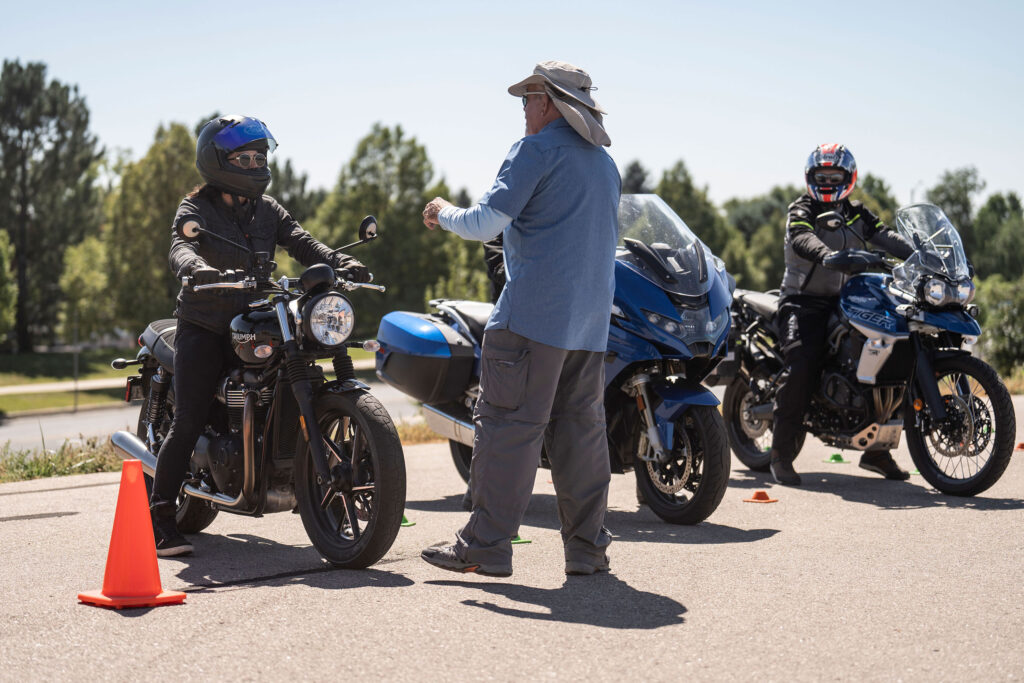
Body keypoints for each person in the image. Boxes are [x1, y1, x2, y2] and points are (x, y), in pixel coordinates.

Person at [420, 61, 621, 577]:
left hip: (531, 320)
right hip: (590, 327)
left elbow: (486, 221)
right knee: (581, 435)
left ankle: (485, 548)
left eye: (528, 99)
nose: (524, 110)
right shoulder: (604, 164)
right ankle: (587, 551)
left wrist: (442, 212)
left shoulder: (534, 151)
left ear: (549, 101)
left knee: (508, 430)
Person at [150, 114, 369, 556]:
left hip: (255, 318)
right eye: (244, 157)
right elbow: (180, 246)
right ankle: (158, 519)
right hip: (205, 325)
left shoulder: (268, 210)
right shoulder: (196, 209)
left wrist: (339, 263)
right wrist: (195, 268)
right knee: (190, 416)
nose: (254, 164)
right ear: (218, 161)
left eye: (258, 157)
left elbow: (302, 241)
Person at [769, 143, 914, 486]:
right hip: (802, 302)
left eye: (835, 176)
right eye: (823, 176)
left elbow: (884, 236)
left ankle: (876, 450)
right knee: (803, 364)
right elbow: (801, 236)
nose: (829, 181)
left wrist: (922, 254)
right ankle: (779, 454)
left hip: (846, 299)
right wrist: (826, 255)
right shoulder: (801, 207)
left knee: (892, 353)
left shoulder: (855, 211)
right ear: (811, 178)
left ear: (848, 178)